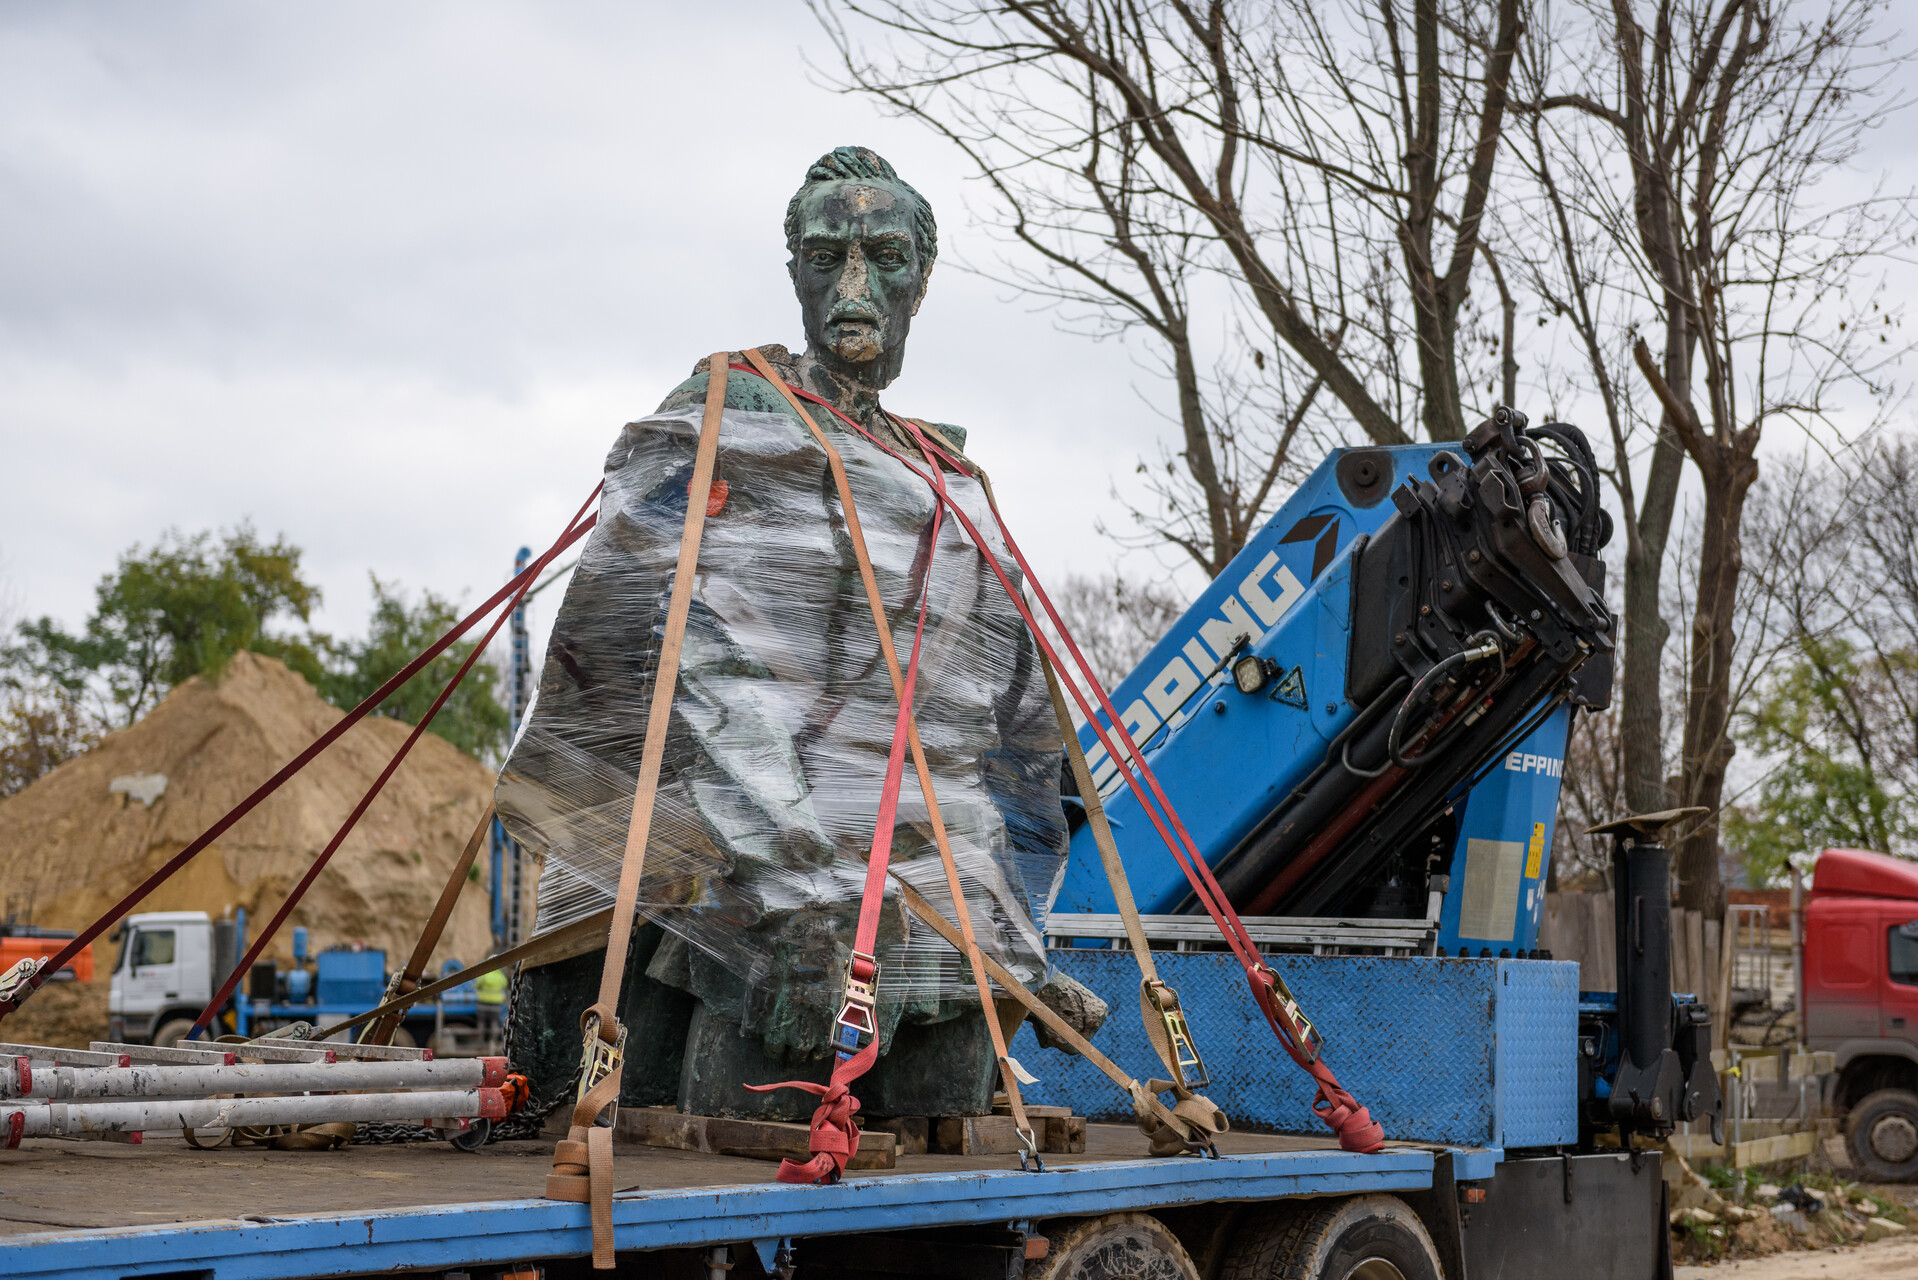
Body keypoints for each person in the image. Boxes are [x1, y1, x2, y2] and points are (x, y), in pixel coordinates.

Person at [496, 147, 1069, 1121]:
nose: (854, 284)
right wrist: (805, 888)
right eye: (825, 254)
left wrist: (1010, 937)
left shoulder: (941, 475)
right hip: (739, 882)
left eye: (884, 255)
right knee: (731, 1137)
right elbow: (693, 665)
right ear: (794, 271)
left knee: (945, 1136)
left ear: (920, 283)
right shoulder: (728, 414)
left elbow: (978, 723)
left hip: (923, 897)